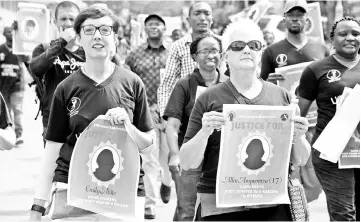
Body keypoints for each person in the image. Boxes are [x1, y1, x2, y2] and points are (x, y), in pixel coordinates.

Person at [29, 7, 154, 221]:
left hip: (123, 191)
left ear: (115, 37)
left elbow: (148, 144)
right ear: (78, 37)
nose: (97, 35)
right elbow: (52, 151)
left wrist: (129, 128)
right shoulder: (66, 88)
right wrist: (38, 207)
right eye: (89, 30)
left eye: (105, 30)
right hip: (73, 189)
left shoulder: (132, 83)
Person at [179, 18, 309, 221]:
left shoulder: (281, 96)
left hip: (271, 203)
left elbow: (300, 159)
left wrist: (299, 137)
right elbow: (187, 162)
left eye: (254, 45)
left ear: (261, 52)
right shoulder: (208, 98)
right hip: (220, 206)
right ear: (225, 57)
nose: (247, 50)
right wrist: (204, 132)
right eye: (238, 46)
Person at [297, 16, 360, 221]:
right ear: (332, 40)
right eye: (343, 34)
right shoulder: (316, 70)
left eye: (356, 33)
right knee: (344, 214)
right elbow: (299, 112)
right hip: (331, 153)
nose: (350, 38)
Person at [163, 33, 224, 221]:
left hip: (219, 159)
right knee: (187, 210)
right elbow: (172, 125)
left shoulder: (229, 84)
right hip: (188, 158)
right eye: (204, 51)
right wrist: (174, 154)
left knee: (216, 210)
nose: (210, 55)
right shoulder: (184, 85)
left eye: (214, 51)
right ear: (194, 56)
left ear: (221, 55)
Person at [124, 14, 171, 220]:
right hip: (144, 113)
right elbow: (127, 82)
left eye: (158, 24)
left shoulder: (173, 53)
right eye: (150, 24)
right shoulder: (134, 55)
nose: (154, 27)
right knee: (149, 159)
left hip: (170, 113)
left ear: (164, 28)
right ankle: (149, 205)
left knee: (169, 159)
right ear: (145, 29)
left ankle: (167, 183)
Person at [157, 1, 217, 117]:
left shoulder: (223, 44)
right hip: (186, 115)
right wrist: (166, 117)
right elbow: (166, 85)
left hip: (218, 111)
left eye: (206, 13)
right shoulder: (178, 46)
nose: (202, 18)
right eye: (197, 13)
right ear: (188, 20)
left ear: (212, 19)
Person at [260, 0, 329, 81]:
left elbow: (330, 84)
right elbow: (260, 88)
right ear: (284, 20)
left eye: (299, 15)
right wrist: (267, 83)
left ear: (307, 19)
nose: (295, 19)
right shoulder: (270, 52)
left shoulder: (322, 49)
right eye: (290, 15)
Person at [0, 25, 26, 147]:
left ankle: (19, 135)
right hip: (3, 87)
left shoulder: (20, 49)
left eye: (12, 31)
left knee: (17, 109)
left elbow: (29, 61)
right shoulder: (0, 49)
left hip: (17, 86)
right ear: (4, 34)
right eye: (7, 32)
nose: (10, 33)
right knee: (6, 112)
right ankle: (8, 136)